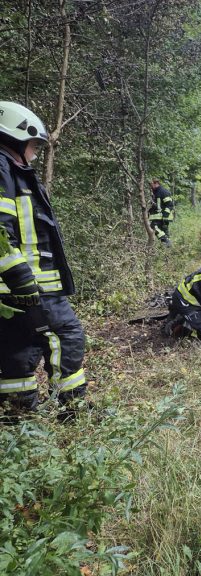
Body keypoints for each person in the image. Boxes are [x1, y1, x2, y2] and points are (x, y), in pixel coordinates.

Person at [0, 101, 87, 412]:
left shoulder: (13, 171)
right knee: (67, 335)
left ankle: (17, 413)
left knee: (18, 345)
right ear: (14, 137)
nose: (36, 152)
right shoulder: (2, 169)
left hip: (15, 288)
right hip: (29, 286)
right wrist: (20, 277)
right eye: (34, 145)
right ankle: (72, 409)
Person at [149, 178, 174, 246]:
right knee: (164, 232)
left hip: (163, 216)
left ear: (156, 183)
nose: (150, 186)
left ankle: (166, 240)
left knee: (153, 227)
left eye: (151, 184)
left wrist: (165, 216)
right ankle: (167, 246)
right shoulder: (155, 192)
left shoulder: (163, 191)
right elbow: (158, 205)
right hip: (159, 216)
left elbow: (170, 205)